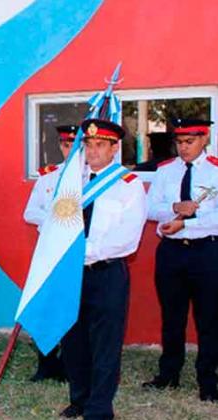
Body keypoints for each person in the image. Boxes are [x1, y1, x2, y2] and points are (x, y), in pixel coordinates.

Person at [59, 119, 147, 419]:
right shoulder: (72, 183)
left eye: (99, 145)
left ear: (114, 148)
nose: (93, 151)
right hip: (71, 275)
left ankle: (99, 408)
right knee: (73, 339)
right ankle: (79, 399)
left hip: (106, 273)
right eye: (88, 145)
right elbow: (56, 222)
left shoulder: (128, 186)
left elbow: (128, 239)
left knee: (105, 343)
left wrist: (84, 251)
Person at [142, 118, 218, 402]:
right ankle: (168, 374)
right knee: (172, 316)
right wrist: (174, 207)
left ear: (204, 140)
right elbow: (150, 209)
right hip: (172, 253)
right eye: (180, 142)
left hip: (206, 252)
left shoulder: (215, 171)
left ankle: (208, 379)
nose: (184, 148)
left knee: (208, 317)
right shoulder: (165, 171)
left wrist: (186, 224)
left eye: (190, 142)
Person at [23, 125, 77, 382]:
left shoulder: (89, 178)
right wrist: (53, 221)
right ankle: (46, 363)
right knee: (45, 307)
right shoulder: (48, 177)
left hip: (75, 256)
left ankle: (69, 364)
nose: (69, 149)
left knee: (73, 310)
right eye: (65, 145)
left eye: (74, 145)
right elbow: (29, 212)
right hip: (48, 255)